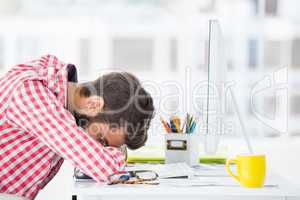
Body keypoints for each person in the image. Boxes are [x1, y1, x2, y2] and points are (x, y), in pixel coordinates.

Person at [0, 55, 154, 200]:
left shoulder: (60, 93)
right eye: (102, 139)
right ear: (93, 105)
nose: (99, 148)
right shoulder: (31, 94)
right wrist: (116, 157)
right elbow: (107, 169)